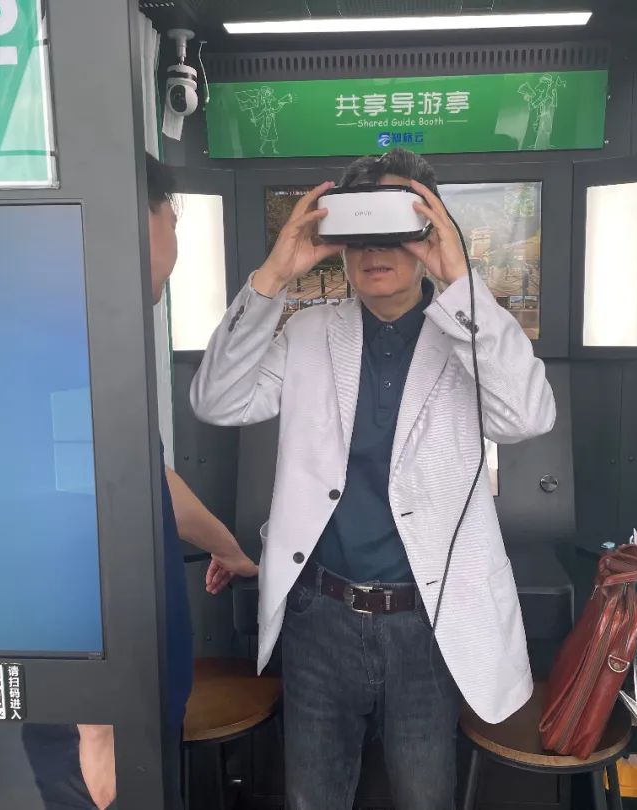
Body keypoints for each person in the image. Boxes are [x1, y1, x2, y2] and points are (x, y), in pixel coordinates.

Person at [192, 148, 556, 809]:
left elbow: (526, 417)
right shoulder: (310, 334)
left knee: (424, 796)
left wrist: (460, 280)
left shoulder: (466, 332)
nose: (375, 251)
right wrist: (274, 275)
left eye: (397, 230)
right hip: (319, 616)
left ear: (430, 233)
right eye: (359, 233)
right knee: (312, 796)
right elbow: (218, 400)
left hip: (427, 620)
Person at [22, 153, 259, 810]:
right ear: (145, 217)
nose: (174, 237)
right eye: (171, 216)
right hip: (100, 715)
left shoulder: (101, 334)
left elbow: (144, 479)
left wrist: (228, 548)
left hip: (134, 699)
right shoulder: (65, 344)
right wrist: (97, 723)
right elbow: (61, 533)